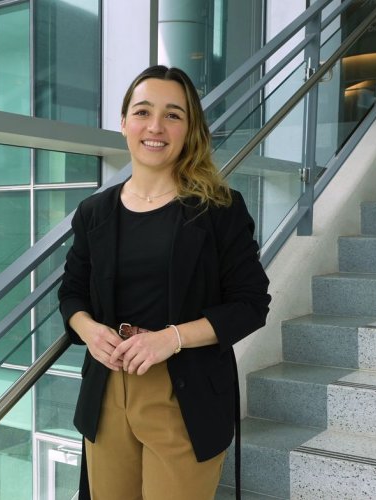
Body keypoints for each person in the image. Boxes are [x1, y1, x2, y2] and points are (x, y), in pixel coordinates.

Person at [57, 65, 271, 500]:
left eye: (173, 115)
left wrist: (170, 339)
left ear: (189, 128)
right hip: (106, 392)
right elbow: (71, 292)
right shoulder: (94, 212)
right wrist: (89, 330)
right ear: (123, 123)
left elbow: (251, 304)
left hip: (184, 396)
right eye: (143, 112)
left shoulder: (219, 210)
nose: (155, 126)